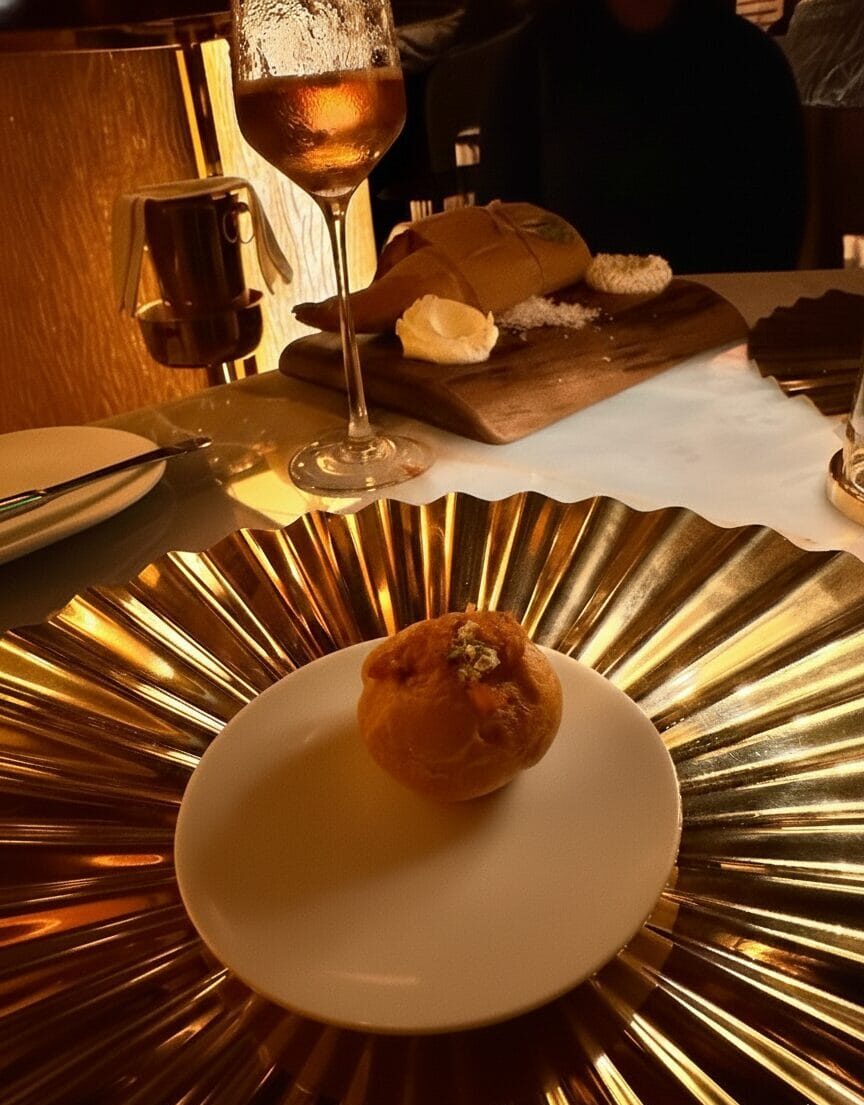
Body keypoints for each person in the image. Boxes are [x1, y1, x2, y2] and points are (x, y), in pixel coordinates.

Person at [476, 0, 808, 273]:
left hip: (720, 324)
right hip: (571, 327)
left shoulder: (753, 65)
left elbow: (774, 241)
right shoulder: (531, 60)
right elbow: (502, 230)